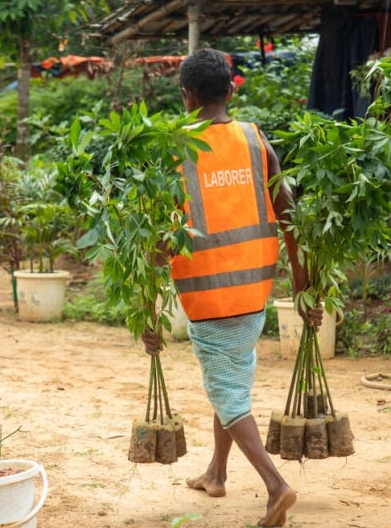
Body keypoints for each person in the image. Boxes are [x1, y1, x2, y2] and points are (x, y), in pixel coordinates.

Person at [142, 48, 323, 527]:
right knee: (231, 384)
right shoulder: (255, 140)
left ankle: (275, 485)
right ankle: (216, 472)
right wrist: (304, 290)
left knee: (227, 391)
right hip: (253, 291)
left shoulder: (175, 148)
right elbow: (290, 217)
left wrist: (147, 306)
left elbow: (158, 240)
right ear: (230, 90)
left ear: (186, 96)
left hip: (207, 296)